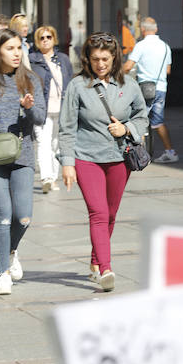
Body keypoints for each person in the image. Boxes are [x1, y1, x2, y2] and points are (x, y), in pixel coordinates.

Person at [58, 32, 148, 292]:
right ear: (88, 59)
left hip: (119, 158)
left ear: (114, 58)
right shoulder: (77, 86)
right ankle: (106, 269)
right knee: (97, 212)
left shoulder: (129, 85)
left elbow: (143, 116)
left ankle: (95, 261)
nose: (100, 64)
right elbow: (66, 127)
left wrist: (127, 128)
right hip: (87, 157)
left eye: (105, 59)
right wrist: (67, 162)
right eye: (95, 59)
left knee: (110, 214)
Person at [0, 28, 46, 295]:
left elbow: (41, 119)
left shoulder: (30, 79)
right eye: (9, 49)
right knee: (2, 217)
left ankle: (12, 251)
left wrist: (28, 107)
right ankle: (1, 272)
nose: (16, 53)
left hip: (23, 155)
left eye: (18, 48)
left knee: (23, 217)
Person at [123, 17, 178, 164]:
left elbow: (128, 66)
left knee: (139, 119)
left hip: (144, 88)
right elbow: (168, 70)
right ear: (156, 29)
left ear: (142, 30)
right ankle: (170, 152)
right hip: (161, 88)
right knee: (158, 121)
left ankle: (139, 154)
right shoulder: (165, 46)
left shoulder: (141, 45)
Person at [29, 25, 74, 193]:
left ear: (54, 39)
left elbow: (70, 82)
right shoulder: (32, 60)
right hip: (42, 110)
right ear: (37, 41)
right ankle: (46, 178)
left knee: (57, 144)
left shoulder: (63, 59)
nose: (45, 40)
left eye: (49, 37)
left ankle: (53, 178)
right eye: (42, 38)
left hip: (61, 109)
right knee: (43, 143)